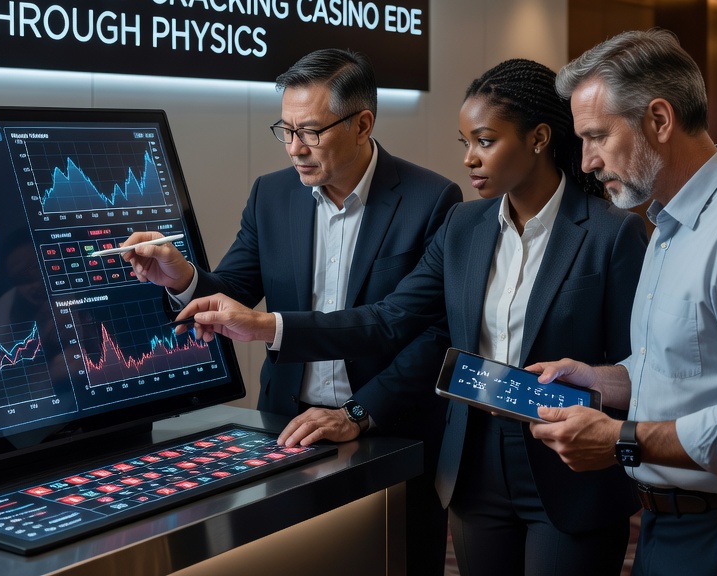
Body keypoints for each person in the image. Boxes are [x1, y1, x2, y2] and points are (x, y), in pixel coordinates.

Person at [176, 59, 648, 576]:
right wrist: (269, 326)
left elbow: (638, 371)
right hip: (473, 461)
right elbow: (389, 319)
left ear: (538, 138)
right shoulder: (463, 225)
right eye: (464, 142)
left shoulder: (612, 233)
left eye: (485, 141)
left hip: (568, 464)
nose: (469, 159)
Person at [117, 48, 460, 576]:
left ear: (363, 123)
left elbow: (430, 334)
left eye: (311, 132)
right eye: (286, 130)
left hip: (389, 430)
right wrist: (183, 279)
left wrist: (357, 414)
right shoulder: (271, 196)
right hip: (286, 429)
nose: (294, 149)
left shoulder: (432, 200)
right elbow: (234, 287)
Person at [526, 28, 717, 576]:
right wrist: (600, 380)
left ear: (660, 121)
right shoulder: (668, 224)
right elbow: (683, 368)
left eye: (596, 136)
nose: (588, 162)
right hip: (671, 526)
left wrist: (619, 439)